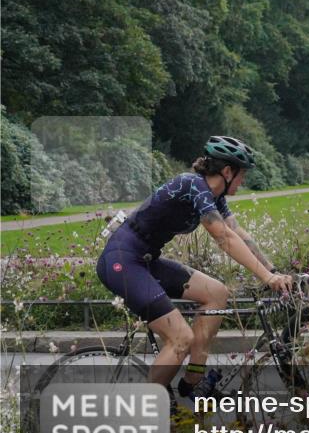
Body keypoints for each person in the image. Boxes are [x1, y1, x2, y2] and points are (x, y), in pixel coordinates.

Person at [95, 136, 294, 401]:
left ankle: (193, 382)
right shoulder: (192, 185)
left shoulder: (214, 197)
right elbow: (223, 237)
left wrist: (274, 271)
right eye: (242, 174)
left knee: (217, 293)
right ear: (227, 172)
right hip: (122, 261)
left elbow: (237, 233)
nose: (243, 180)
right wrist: (267, 277)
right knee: (180, 338)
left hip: (146, 261)